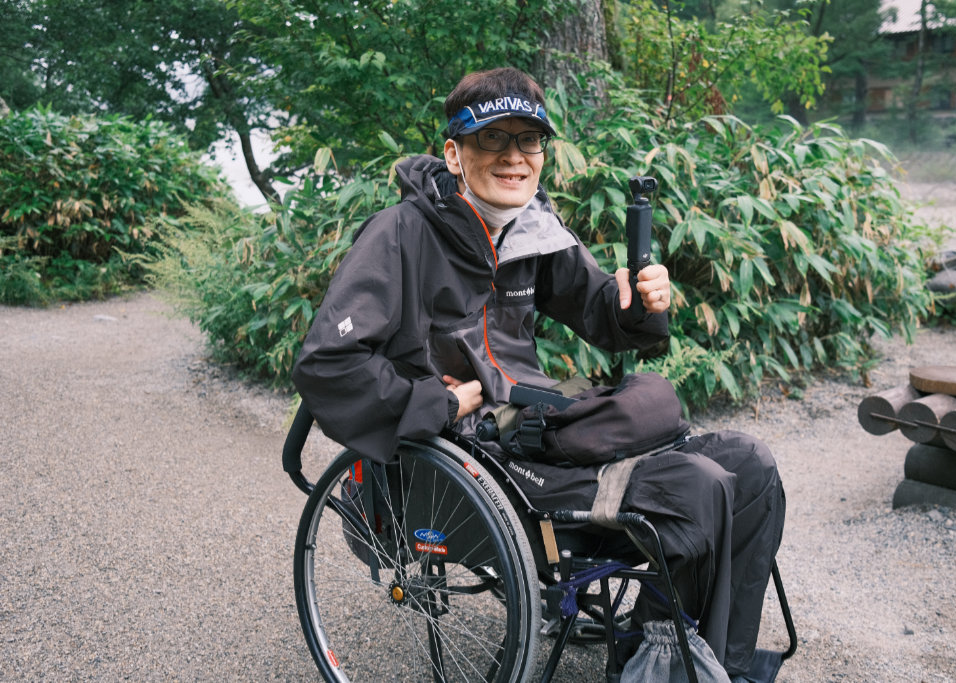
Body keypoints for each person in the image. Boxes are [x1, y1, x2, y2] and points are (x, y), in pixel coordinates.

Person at [292, 66, 785, 681]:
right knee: (695, 486)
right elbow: (327, 362)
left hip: (532, 428)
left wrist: (643, 302)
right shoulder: (401, 235)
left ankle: (706, 663)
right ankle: (663, 656)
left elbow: (605, 314)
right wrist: (433, 404)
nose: (514, 157)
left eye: (529, 141)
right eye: (492, 139)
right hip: (471, 452)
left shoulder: (532, 228)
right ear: (454, 152)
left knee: (750, 466)